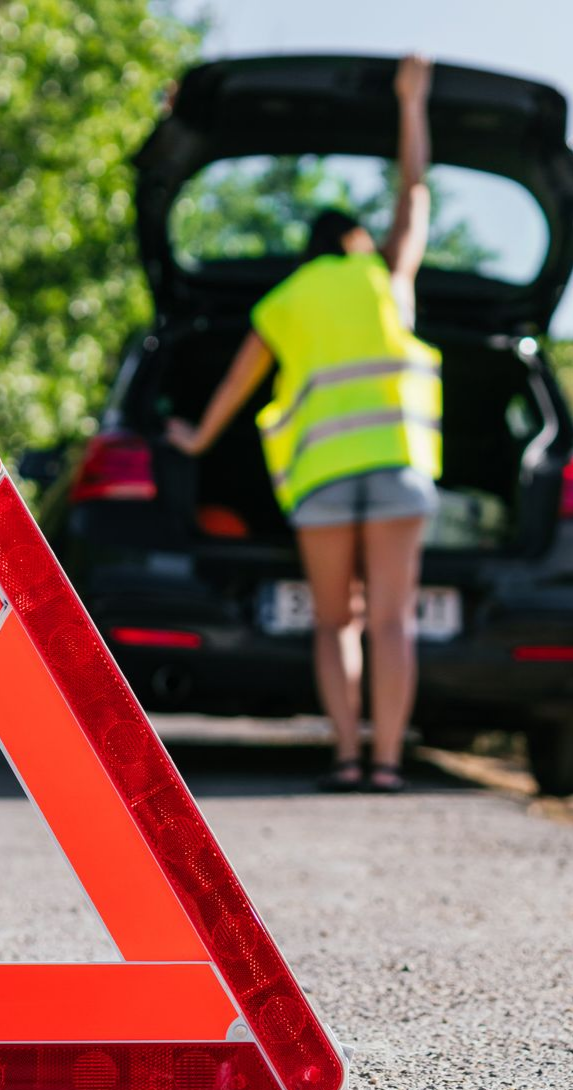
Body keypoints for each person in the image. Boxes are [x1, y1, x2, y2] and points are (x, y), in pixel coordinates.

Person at [167, 55, 441, 793]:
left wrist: (193, 440)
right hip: (394, 468)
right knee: (391, 623)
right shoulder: (383, 278)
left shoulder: (284, 301)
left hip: (320, 478)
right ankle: (386, 766)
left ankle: (344, 758)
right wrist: (411, 102)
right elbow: (414, 196)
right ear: (354, 239)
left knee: (334, 623)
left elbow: (235, 383)